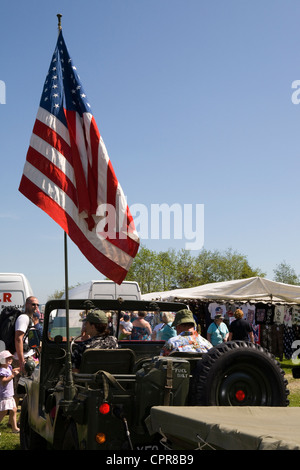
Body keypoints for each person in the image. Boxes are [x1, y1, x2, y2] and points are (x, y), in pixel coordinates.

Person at [14, 296, 39, 374]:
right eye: (33, 304)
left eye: (37, 305)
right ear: (26, 305)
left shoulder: (29, 318)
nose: (36, 307)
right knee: (22, 382)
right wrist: (21, 362)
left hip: (27, 356)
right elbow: (18, 339)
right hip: (23, 358)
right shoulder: (24, 318)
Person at [0, 350, 20, 433]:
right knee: (4, 412)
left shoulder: (8, 367)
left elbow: (12, 370)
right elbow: (3, 381)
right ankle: (14, 428)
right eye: (7, 358)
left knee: (14, 409)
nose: (10, 359)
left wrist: (21, 367)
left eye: (10, 358)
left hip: (9, 394)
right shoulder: (2, 370)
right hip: (5, 395)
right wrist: (12, 376)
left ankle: (14, 428)